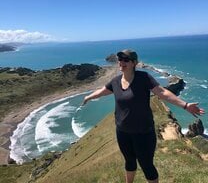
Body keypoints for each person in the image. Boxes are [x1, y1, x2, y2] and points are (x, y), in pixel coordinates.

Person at [82, 49, 205, 183]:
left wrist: (185, 105)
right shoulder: (115, 81)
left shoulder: (144, 78)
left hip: (144, 133)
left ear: (134, 63)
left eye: (126, 60)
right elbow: (103, 91)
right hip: (122, 132)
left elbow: (162, 92)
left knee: (147, 166)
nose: (121, 62)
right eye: (120, 59)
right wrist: (89, 97)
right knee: (129, 162)